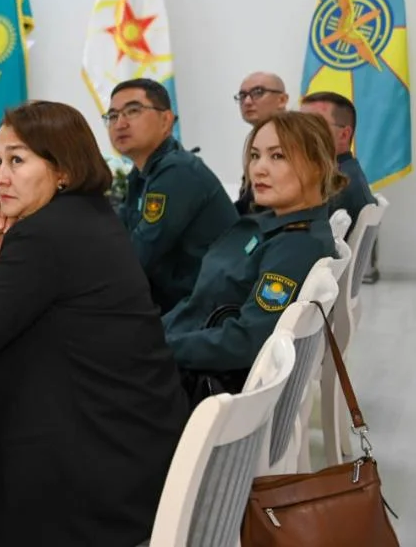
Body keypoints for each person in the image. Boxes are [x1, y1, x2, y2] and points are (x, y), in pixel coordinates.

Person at [0, 101, 188, 547]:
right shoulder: (88, 213)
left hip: (97, 467)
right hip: (138, 443)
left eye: (17, 160)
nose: (0, 177)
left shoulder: (45, 233)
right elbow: (18, 310)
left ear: (63, 169)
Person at [163, 111, 340, 392]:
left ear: (318, 165)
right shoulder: (278, 227)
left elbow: (247, 341)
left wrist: (157, 347)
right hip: (187, 351)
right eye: (255, 156)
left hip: (201, 386)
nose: (258, 169)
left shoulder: (295, 247)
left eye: (277, 156)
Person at [107, 78, 237, 313]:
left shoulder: (177, 171)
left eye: (132, 111)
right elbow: (119, 237)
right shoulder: (141, 174)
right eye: (113, 116)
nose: (120, 123)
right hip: (173, 305)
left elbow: (138, 256)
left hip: (202, 312)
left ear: (166, 120)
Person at [300, 91, 375, 238]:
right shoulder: (349, 171)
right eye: (298, 124)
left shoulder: (337, 184)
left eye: (313, 125)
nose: (300, 132)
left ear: (344, 135)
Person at [233, 72, 289, 214]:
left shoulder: (297, 140)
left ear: (282, 100)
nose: (247, 101)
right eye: (242, 95)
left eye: (258, 92)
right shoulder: (255, 139)